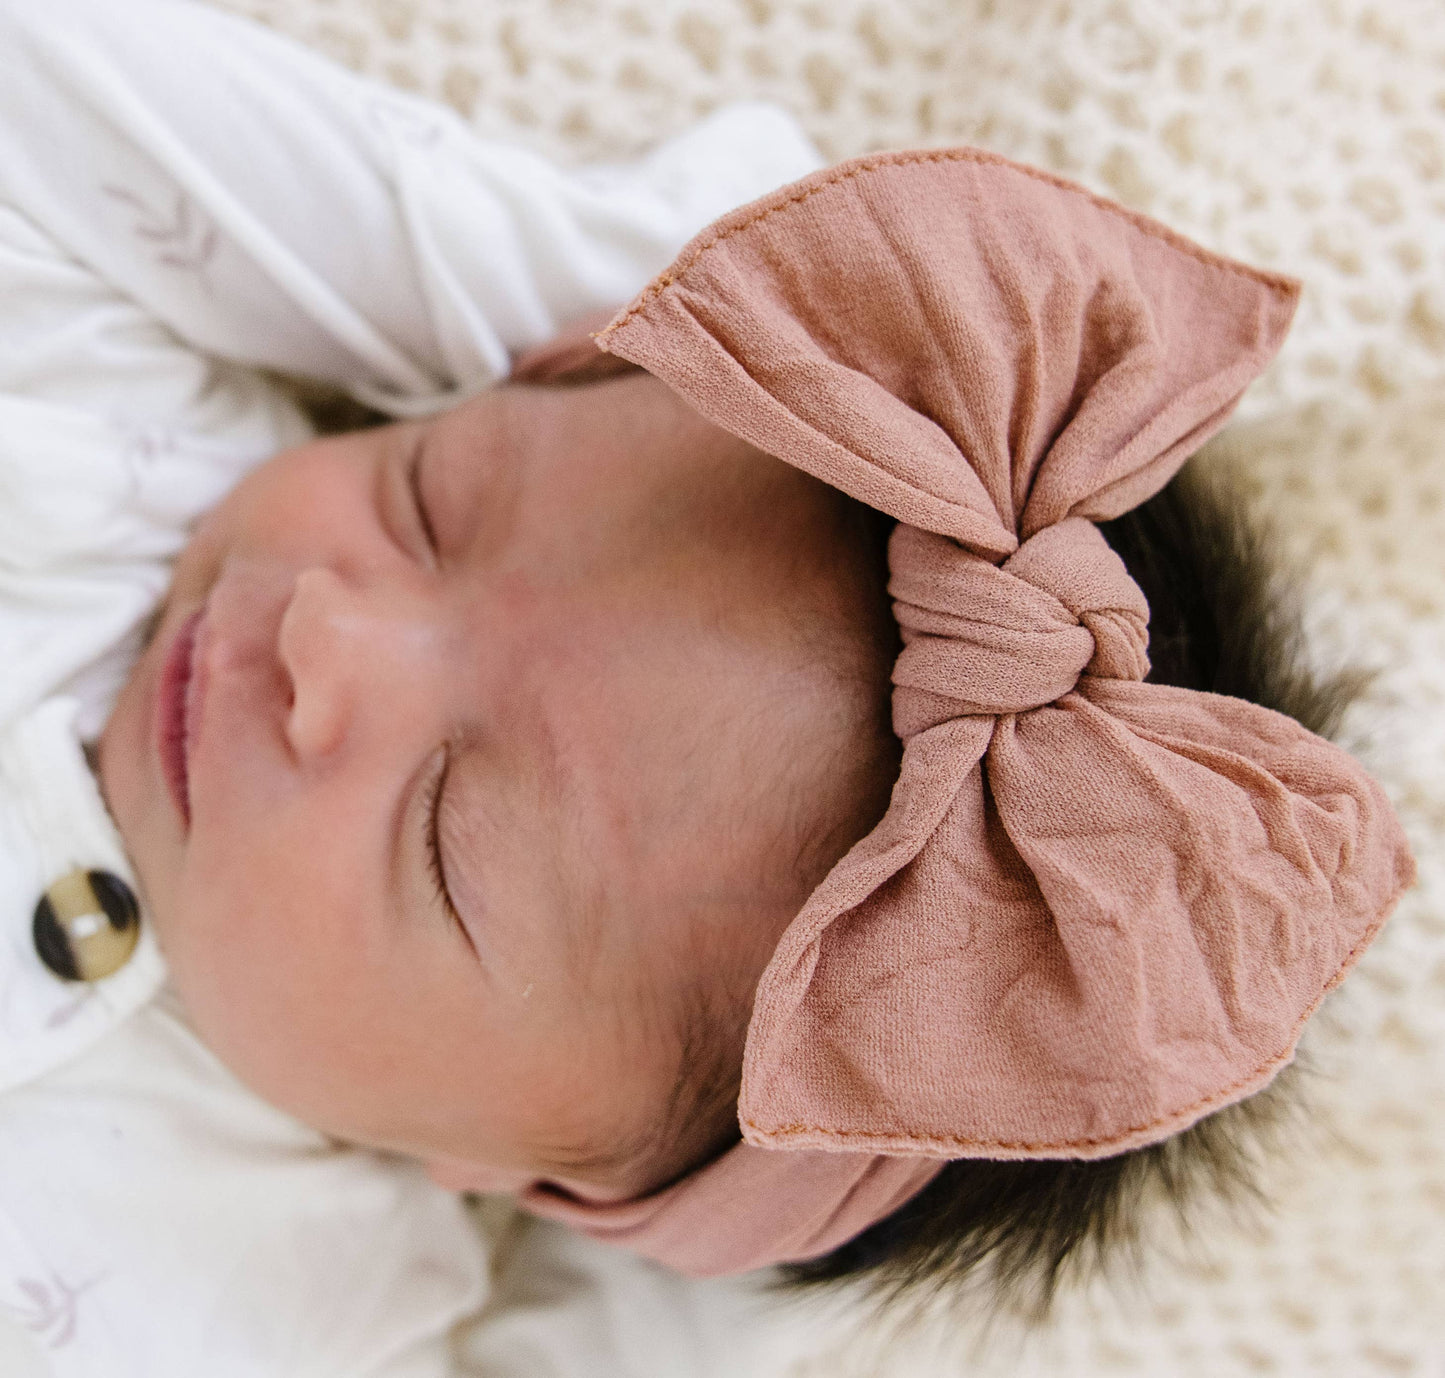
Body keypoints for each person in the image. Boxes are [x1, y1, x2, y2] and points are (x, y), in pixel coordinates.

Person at [0, 0, 1415, 1373]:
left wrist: (717, 1261)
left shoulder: (319, 1312)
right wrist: (663, 303)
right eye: (435, 494)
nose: (325, 636)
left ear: (545, 1173)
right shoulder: (91, 439)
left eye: (444, 835)